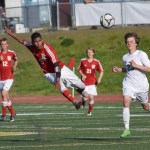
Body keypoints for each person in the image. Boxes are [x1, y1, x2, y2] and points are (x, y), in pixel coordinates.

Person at [4, 27, 90, 110]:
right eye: (36, 42)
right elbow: (22, 41)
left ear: (42, 40)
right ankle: (75, 102)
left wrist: (58, 79)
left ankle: (79, 90)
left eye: (39, 41)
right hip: (48, 72)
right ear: (33, 43)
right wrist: (10, 33)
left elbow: (56, 65)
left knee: (82, 86)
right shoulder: (31, 46)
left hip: (60, 68)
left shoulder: (48, 49)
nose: (38, 43)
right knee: (61, 87)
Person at [112, 32, 150, 138]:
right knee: (126, 101)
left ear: (136, 43)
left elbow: (149, 68)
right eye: (127, 41)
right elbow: (128, 68)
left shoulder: (141, 54)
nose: (129, 43)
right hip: (128, 84)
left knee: (145, 106)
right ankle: (127, 129)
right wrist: (119, 69)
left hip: (141, 86)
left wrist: (137, 65)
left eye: (131, 41)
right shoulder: (125, 57)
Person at [78, 48, 104, 115]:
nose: (89, 53)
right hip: (84, 83)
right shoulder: (82, 61)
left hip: (92, 82)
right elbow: (79, 69)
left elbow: (101, 71)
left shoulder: (96, 62)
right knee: (85, 98)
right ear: (87, 53)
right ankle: (83, 102)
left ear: (93, 53)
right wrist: (83, 75)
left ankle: (89, 111)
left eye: (91, 52)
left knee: (91, 98)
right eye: (88, 52)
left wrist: (99, 79)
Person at [0, 38, 18, 122]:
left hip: (9, 77)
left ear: (7, 44)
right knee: (5, 97)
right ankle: (13, 113)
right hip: (1, 78)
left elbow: (16, 60)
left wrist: (14, 66)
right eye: (2, 44)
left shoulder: (11, 53)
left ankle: (3, 114)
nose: (3, 46)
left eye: (4, 44)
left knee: (3, 93)